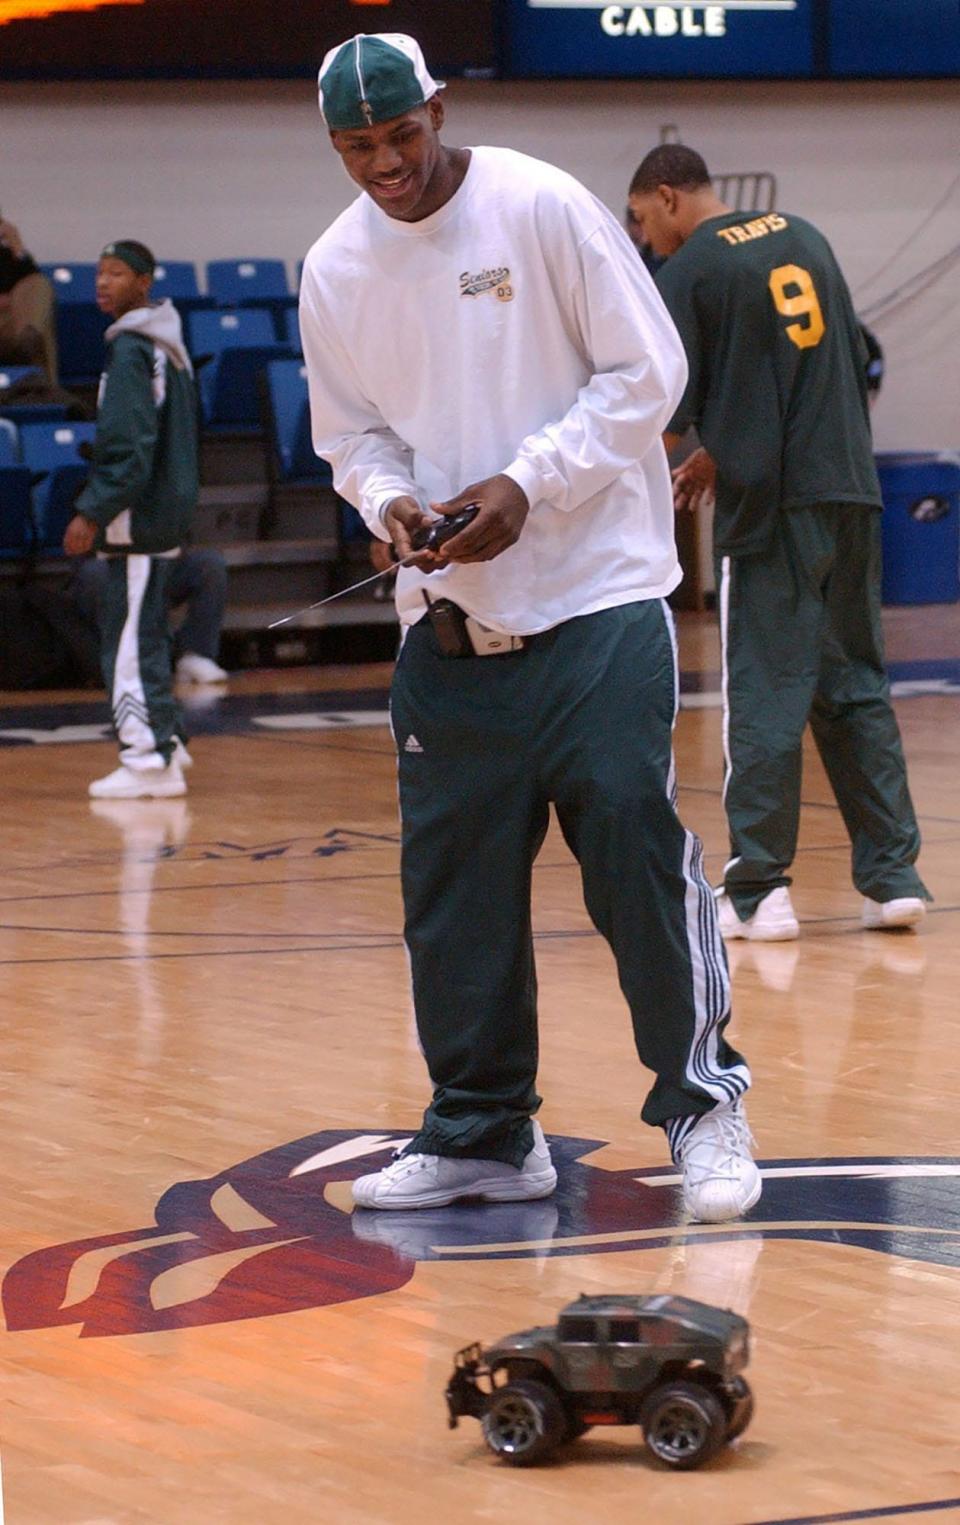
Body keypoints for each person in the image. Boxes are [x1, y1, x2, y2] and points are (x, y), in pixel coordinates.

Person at [299, 33, 760, 1224]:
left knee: (631, 851)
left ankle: (704, 1106)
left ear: (438, 111)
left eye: (401, 136)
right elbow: (351, 435)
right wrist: (386, 500)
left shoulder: (541, 206)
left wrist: (527, 483)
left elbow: (646, 372)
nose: (385, 164)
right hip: (448, 629)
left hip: (597, 601)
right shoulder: (335, 269)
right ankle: (485, 1133)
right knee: (451, 896)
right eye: (358, 147)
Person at [627, 144, 930, 940]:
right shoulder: (806, 236)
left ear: (667, 199)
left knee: (763, 693)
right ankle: (894, 877)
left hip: (772, 514)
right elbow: (836, 364)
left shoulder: (691, 269)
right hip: (851, 495)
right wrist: (723, 446)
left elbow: (656, 408)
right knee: (854, 685)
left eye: (640, 220)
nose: (644, 238)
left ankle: (758, 892)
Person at [63, 239, 199, 798]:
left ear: (144, 281)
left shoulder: (132, 350)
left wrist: (92, 511)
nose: (102, 283)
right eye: (98, 274)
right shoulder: (165, 345)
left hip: (138, 517)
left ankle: (149, 760)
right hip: (163, 509)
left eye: (116, 273)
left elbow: (128, 445)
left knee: (127, 641)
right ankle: (170, 738)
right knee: (146, 633)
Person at [70, 545, 230, 685]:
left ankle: (196, 654)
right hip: (109, 564)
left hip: (160, 563)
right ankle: (123, 661)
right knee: (94, 575)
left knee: (210, 564)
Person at [0, 212, 58, 382]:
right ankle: (47, 393)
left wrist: (17, 248)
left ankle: (28, 335)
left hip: (11, 322)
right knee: (39, 327)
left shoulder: (5, 254)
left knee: (39, 284)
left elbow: (32, 281)